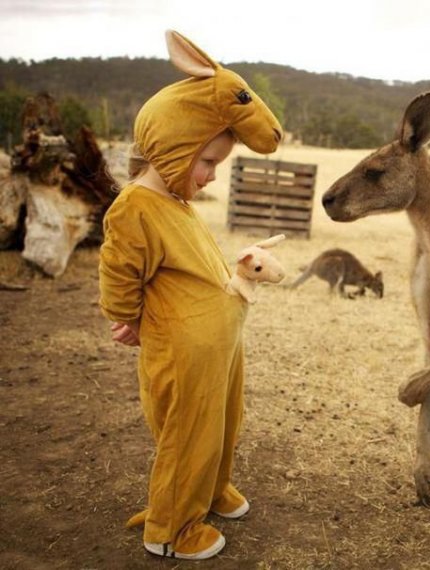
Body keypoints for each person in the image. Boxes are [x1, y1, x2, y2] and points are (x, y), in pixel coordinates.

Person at [98, 30, 283, 560]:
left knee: (223, 420)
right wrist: (126, 318)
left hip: (219, 347)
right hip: (183, 351)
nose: (210, 177)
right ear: (176, 148)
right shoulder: (135, 206)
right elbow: (119, 272)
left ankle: (210, 489)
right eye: (207, 163)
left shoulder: (175, 202)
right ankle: (171, 529)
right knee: (188, 434)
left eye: (217, 167)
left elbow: (188, 270)